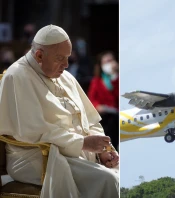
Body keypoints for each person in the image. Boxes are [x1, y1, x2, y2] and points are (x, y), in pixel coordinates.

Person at [0, 24, 119, 197]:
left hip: (77, 152)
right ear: (39, 55)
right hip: (36, 157)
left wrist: (104, 150)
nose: (66, 64)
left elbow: (88, 119)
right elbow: (34, 132)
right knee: (109, 180)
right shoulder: (17, 76)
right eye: (60, 58)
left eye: (68, 57)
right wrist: (84, 143)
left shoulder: (66, 76)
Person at [88, 51, 119, 151]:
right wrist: (98, 106)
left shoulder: (118, 79)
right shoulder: (96, 81)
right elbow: (92, 100)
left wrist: (115, 77)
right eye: (106, 62)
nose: (109, 64)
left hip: (117, 115)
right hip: (104, 117)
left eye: (111, 61)